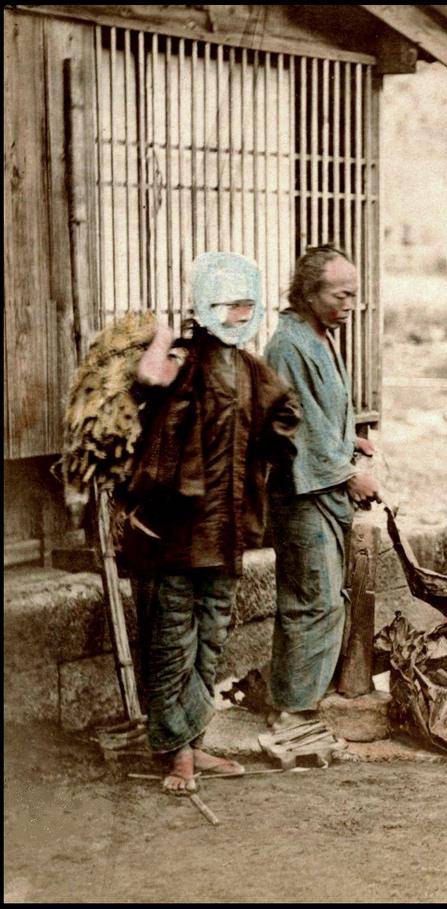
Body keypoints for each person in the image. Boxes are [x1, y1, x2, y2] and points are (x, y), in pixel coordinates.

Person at [124, 251, 300, 793]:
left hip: (228, 532)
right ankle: (175, 753)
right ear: (207, 307)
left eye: (248, 307)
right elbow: (148, 376)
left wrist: (272, 442)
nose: (241, 317)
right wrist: (160, 334)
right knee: (173, 637)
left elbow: (284, 417)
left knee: (213, 637)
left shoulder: (252, 370)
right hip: (175, 530)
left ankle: (196, 746)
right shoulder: (185, 359)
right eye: (231, 306)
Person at [264, 245, 381, 729]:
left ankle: (302, 698)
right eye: (341, 294)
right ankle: (291, 709)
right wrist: (349, 473)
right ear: (310, 293)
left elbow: (321, 410)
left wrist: (348, 436)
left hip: (320, 484)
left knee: (326, 596)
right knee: (312, 598)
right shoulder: (289, 344)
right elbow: (296, 426)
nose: (351, 303)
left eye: (355, 294)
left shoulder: (320, 335)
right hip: (301, 493)